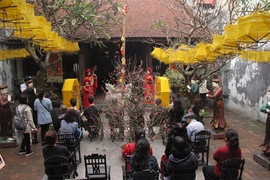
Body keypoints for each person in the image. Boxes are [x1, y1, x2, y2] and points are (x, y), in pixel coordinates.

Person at [24, 77, 38, 144]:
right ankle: (35, 138)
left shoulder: (26, 100)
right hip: (34, 113)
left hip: (27, 114)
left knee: (28, 125)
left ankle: (31, 138)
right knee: (34, 124)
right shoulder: (34, 100)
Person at [259, 89, 270, 155]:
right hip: (269, 119)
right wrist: (267, 110)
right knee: (267, 132)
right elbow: (262, 108)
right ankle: (266, 145)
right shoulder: (269, 102)